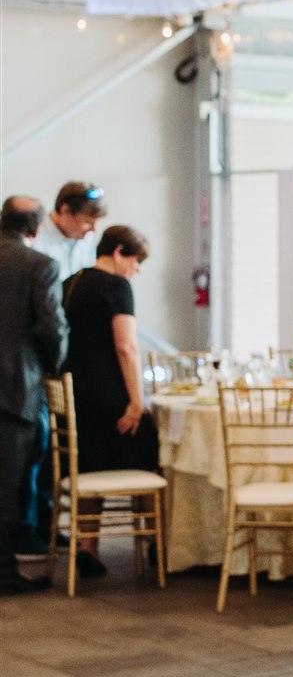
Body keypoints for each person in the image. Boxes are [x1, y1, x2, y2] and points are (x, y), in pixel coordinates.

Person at [62, 224, 159, 578]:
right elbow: (126, 347)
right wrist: (136, 400)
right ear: (119, 252)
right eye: (137, 260)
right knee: (151, 446)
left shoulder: (70, 283)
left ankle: (88, 543)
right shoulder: (117, 286)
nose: (138, 269)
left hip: (76, 394)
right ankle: (156, 542)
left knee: (91, 463)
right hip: (107, 394)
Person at [0, 197, 67, 595]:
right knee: (10, 481)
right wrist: (50, 368)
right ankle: (5, 573)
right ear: (36, 228)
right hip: (15, 388)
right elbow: (53, 329)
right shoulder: (40, 265)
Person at [32, 181, 105, 281]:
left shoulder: (87, 237)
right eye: (88, 222)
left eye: (97, 222)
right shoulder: (34, 239)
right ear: (65, 210)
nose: (94, 229)